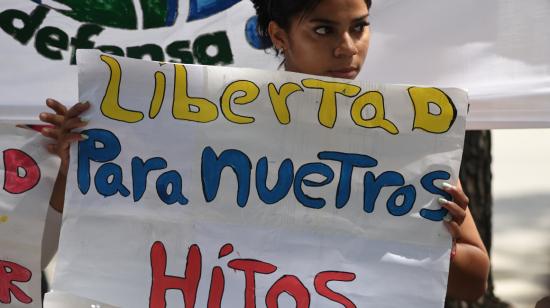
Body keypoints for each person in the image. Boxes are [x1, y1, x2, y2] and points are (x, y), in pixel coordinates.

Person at [40, 0, 490, 302]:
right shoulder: (202, 118)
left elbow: (473, 279)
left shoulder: (404, 134)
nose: (346, 48)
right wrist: (76, 163)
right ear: (279, 35)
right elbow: (94, 225)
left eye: (359, 28)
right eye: (323, 29)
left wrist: (430, 242)